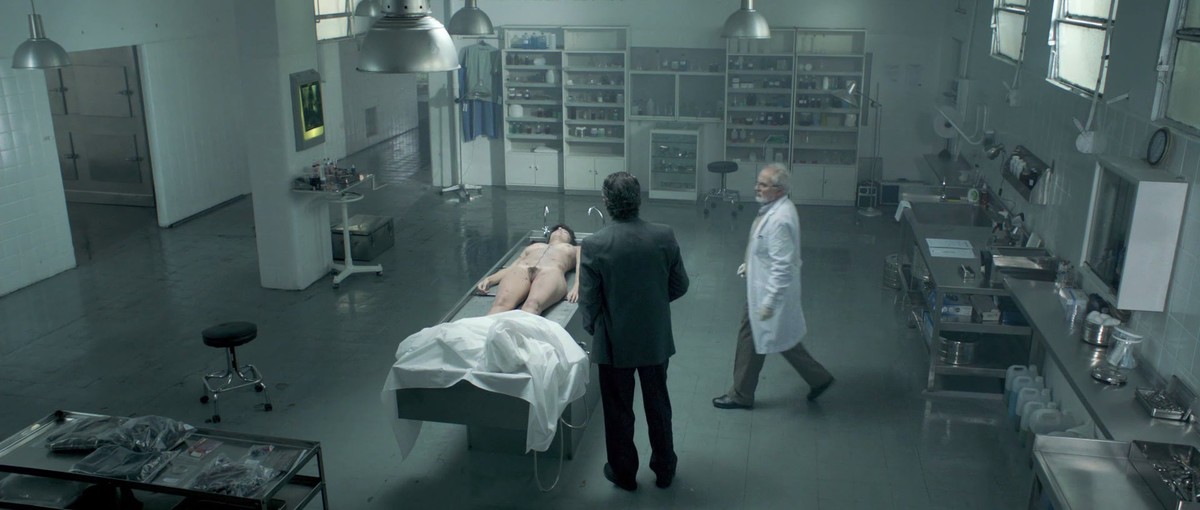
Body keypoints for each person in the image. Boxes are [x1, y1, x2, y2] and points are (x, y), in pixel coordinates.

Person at [579, 172, 689, 492]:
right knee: (658, 405)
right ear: (639, 199)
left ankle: (624, 472)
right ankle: (665, 469)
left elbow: (589, 301)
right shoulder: (663, 236)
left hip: (615, 343)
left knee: (618, 410)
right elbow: (680, 284)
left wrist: (594, 326)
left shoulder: (595, 244)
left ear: (606, 201)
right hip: (654, 339)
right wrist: (654, 306)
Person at [712, 163, 835, 411]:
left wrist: (769, 302)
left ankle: (742, 394)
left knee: (762, 336)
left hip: (769, 293)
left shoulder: (779, 220)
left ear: (779, 190)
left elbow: (782, 266)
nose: (757, 187)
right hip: (761, 288)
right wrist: (749, 265)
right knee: (770, 337)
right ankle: (817, 378)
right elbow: (764, 247)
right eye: (758, 182)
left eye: (763, 184)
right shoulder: (774, 208)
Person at [475, 225, 581, 315]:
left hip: (551, 271)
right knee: (501, 303)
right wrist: (490, 279)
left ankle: (520, 333)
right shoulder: (534, 246)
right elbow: (512, 267)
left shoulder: (575, 248)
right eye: (557, 229)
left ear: (570, 240)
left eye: (565, 232)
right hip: (522, 269)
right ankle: (485, 332)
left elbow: (581, 267)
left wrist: (577, 287)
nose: (560, 230)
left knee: (532, 305)